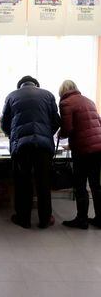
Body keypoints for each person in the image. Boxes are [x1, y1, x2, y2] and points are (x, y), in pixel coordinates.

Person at [1, 76, 60, 229]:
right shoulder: (48, 95)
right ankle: (45, 219)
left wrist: (13, 136)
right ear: (36, 84)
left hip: (22, 146)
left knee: (23, 182)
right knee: (43, 182)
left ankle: (23, 219)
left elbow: (4, 123)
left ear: (20, 85)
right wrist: (46, 134)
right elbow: (56, 121)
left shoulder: (12, 96)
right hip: (43, 147)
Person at [59, 80, 101, 229]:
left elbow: (67, 129)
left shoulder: (66, 103)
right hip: (98, 148)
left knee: (80, 185)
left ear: (62, 92)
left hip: (83, 151)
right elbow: (97, 123)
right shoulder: (89, 101)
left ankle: (82, 219)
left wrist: (60, 134)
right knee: (96, 185)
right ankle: (99, 219)